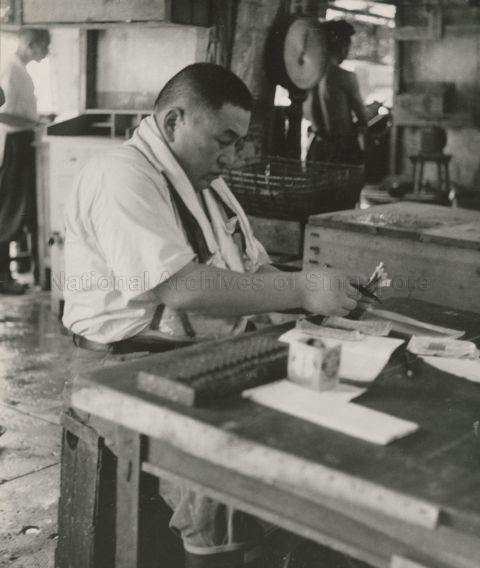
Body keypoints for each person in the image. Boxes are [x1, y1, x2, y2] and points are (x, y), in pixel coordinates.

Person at [63, 63, 362, 567]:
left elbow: (252, 266)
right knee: (214, 464)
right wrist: (302, 289)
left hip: (195, 355)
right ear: (174, 121)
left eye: (237, 143)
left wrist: (316, 294)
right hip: (121, 366)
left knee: (309, 428)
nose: (231, 156)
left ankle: (267, 545)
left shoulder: (204, 181)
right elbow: (179, 286)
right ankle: (221, 550)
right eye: (224, 140)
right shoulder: (121, 174)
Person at [0, 27, 50, 294]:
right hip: (12, 144)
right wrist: (33, 124)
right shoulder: (9, 68)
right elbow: (2, 114)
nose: (46, 52)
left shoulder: (20, 69)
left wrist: (36, 121)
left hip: (22, 141)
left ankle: (10, 274)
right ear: (30, 43)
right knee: (8, 212)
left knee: (17, 210)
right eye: (44, 46)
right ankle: (2, 279)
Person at [303, 19, 368, 165]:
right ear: (342, 46)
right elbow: (363, 118)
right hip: (342, 150)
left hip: (317, 149)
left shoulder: (309, 76)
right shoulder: (346, 77)